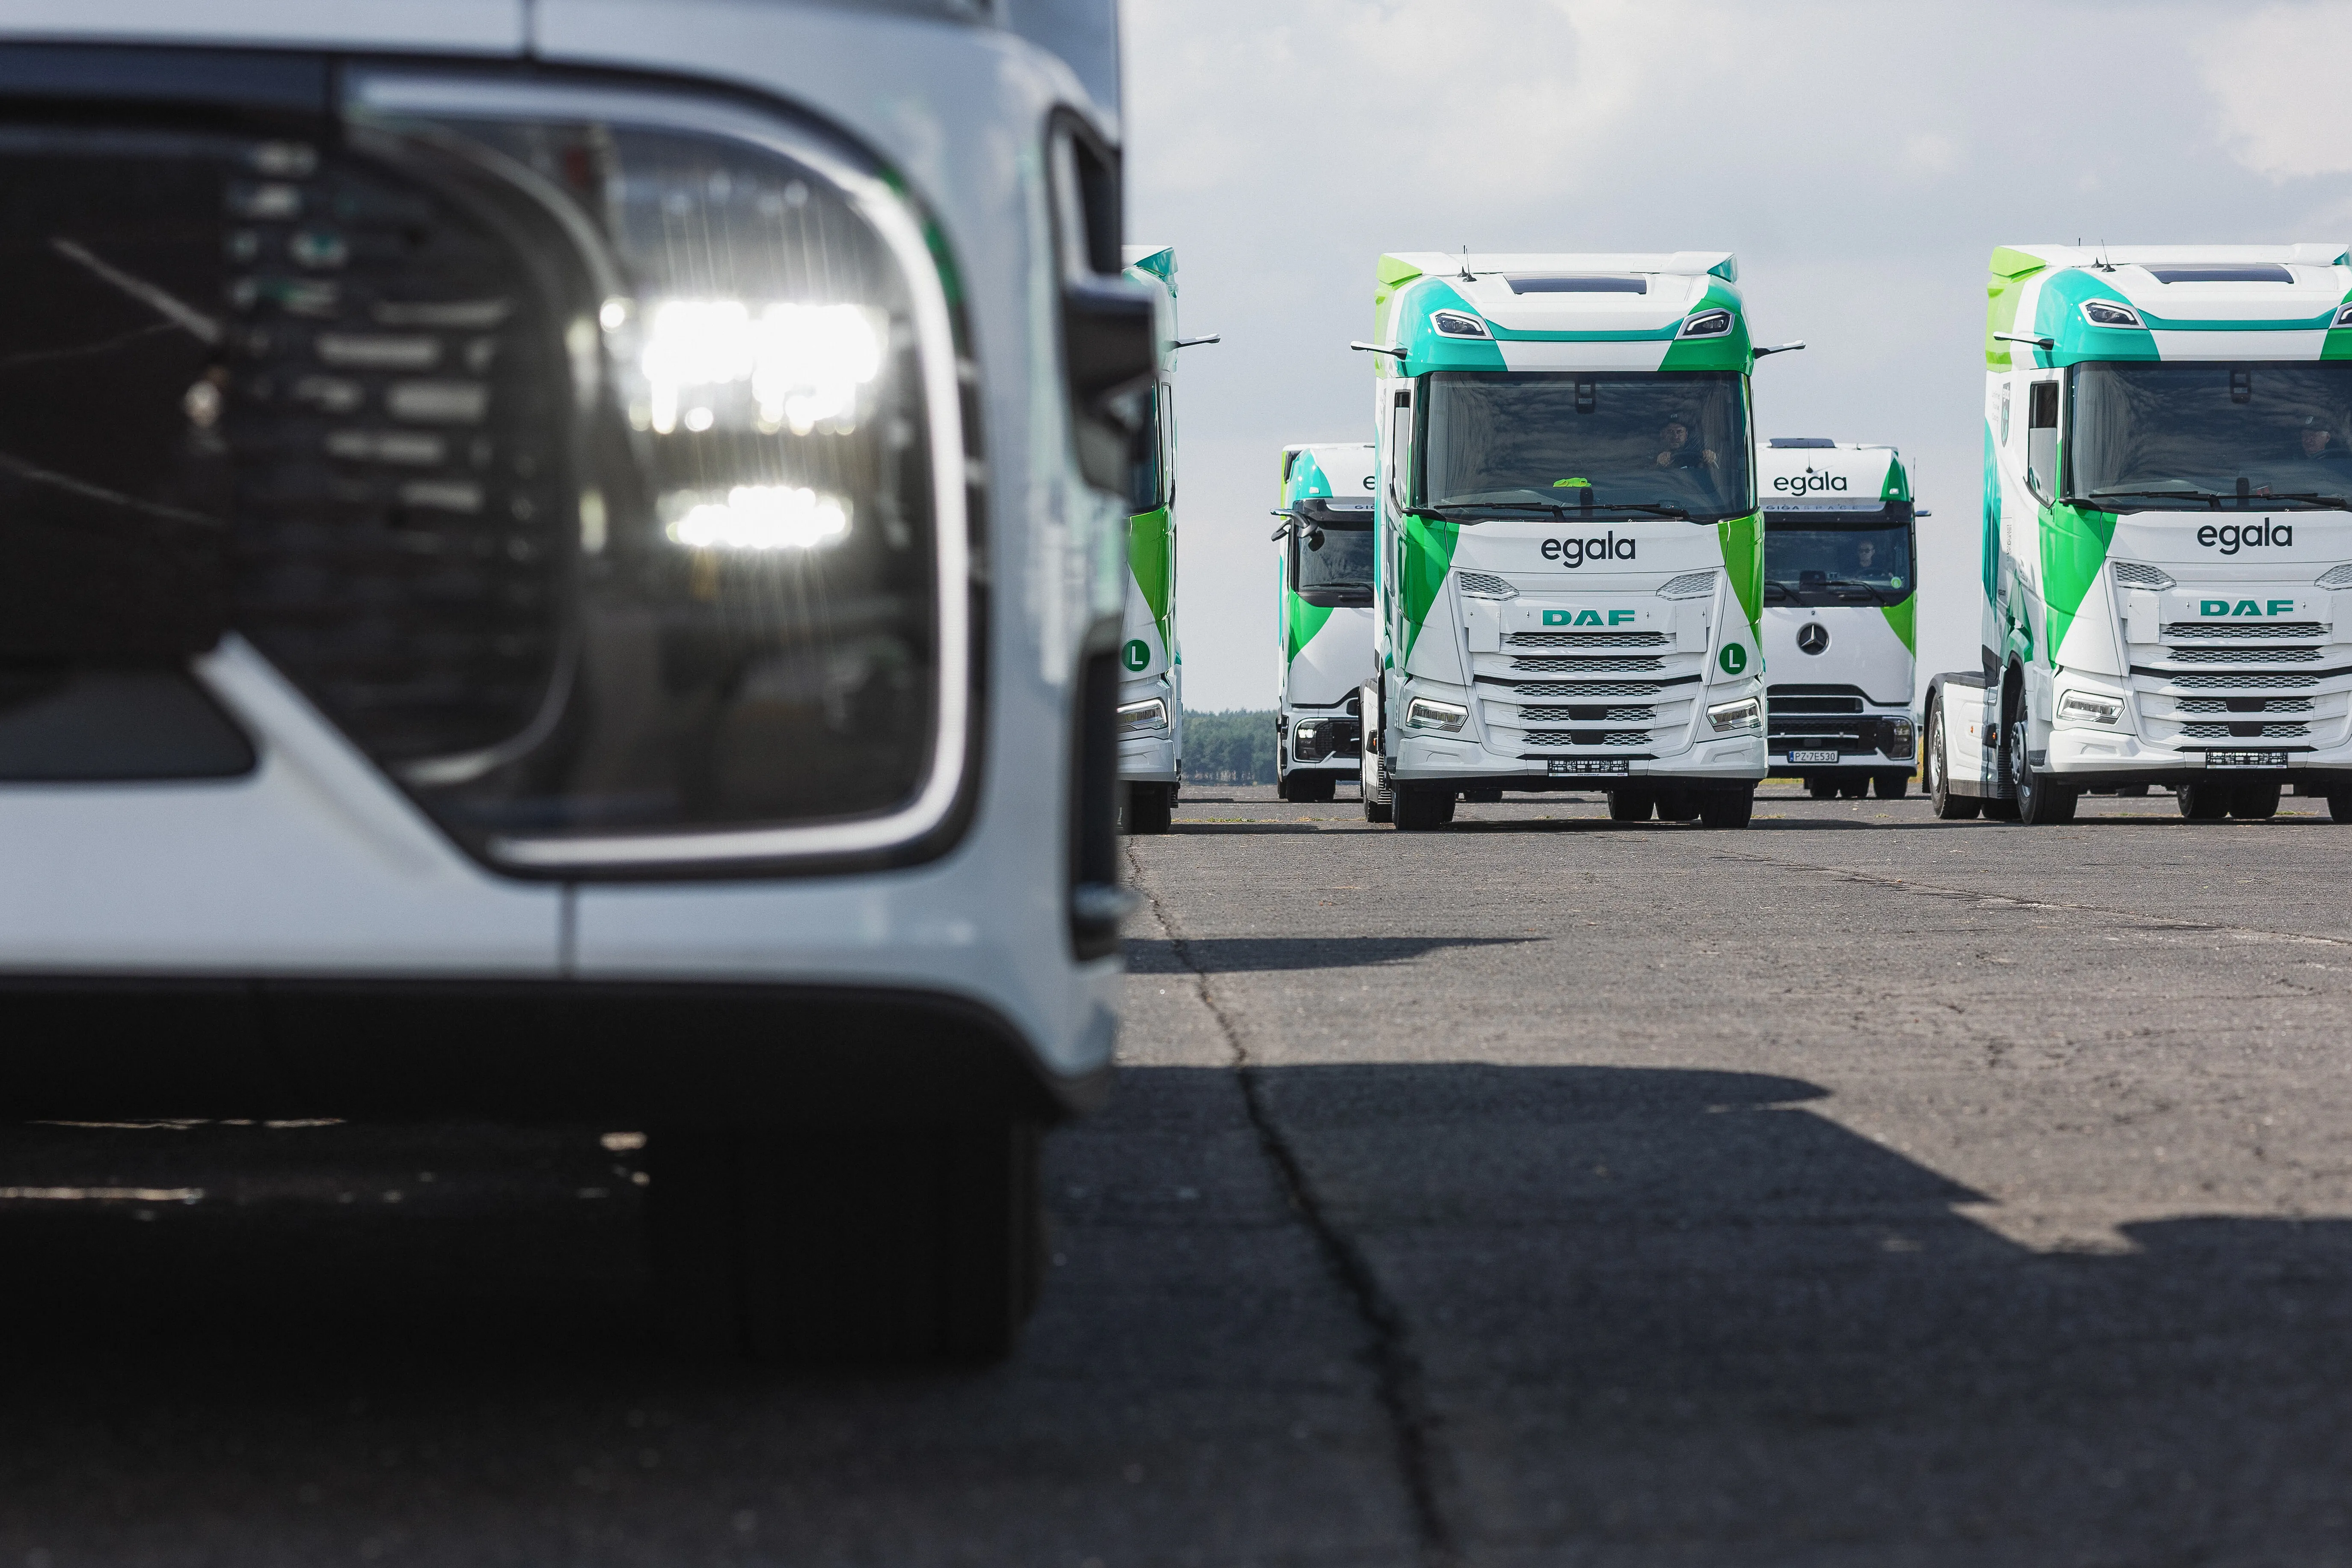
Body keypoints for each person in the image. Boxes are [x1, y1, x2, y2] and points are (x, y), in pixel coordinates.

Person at [1654, 418, 1718, 470]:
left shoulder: (1697, 455)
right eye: (1671, 432)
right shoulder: (1654, 453)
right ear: (1663, 435)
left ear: (1686, 436)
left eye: (1680, 432)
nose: (1675, 437)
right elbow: (1648, 476)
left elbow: (1715, 473)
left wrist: (1710, 457)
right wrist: (1659, 463)